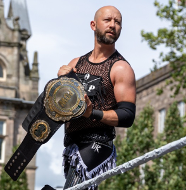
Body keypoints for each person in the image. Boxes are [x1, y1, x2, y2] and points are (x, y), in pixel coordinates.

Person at [57, 6, 136, 190]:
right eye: (108, 20)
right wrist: (60, 83)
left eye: (117, 22)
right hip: (71, 145)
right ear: (93, 25)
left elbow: (127, 116)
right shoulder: (75, 64)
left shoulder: (120, 68)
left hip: (97, 143)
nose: (113, 25)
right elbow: (59, 108)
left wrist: (93, 113)